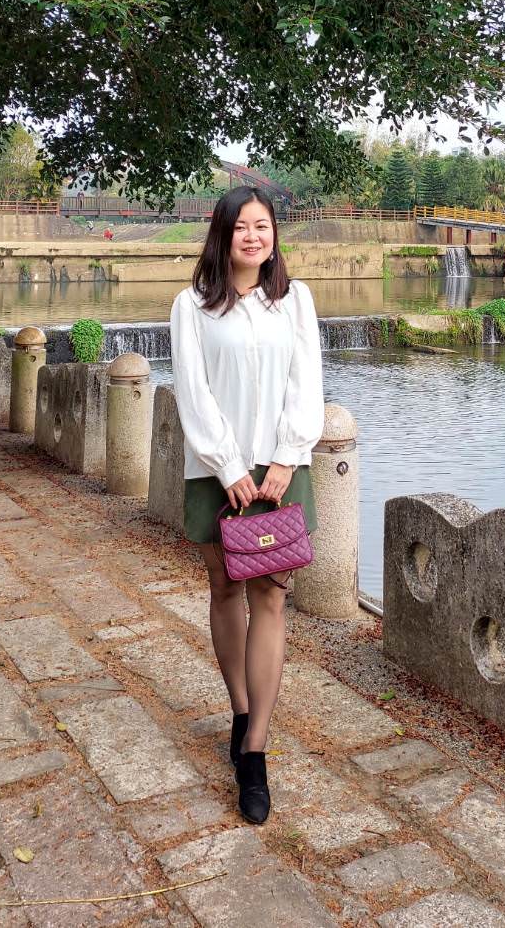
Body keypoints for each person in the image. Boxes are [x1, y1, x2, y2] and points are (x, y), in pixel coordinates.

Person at [169, 187, 324, 825]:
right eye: (241, 227)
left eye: (262, 226)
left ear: (273, 235)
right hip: (217, 468)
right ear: (222, 234)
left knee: (272, 596)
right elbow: (192, 389)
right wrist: (229, 465)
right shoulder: (193, 306)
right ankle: (238, 707)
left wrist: (285, 457)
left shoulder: (295, 300)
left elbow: (306, 380)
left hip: (282, 470)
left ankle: (255, 748)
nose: (252, 237)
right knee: (224, 586)